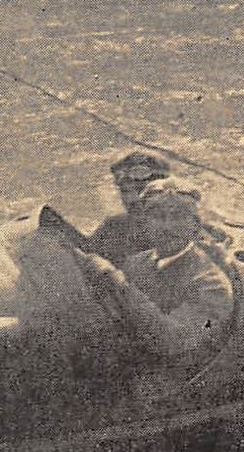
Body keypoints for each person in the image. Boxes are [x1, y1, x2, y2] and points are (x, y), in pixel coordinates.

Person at [76, 178, 235, 367]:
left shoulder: (212, 285)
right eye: (158, 217)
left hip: (173, 374)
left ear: (195, 226)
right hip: (129, 361)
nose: (167, 227)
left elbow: (173, 340)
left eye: (178, 217)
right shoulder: (136, 263)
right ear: (145, 224)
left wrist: (117, 282)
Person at [83, 149, 170, 264]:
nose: (131, 199)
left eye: (141, 190)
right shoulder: (112, 228)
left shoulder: (182, 230)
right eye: (125, 191)